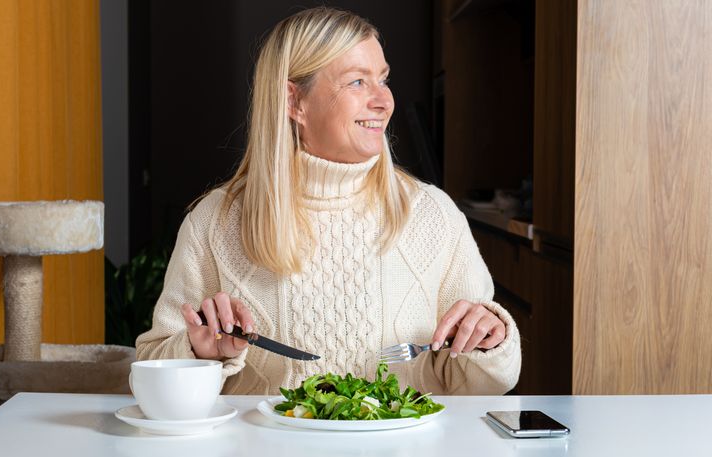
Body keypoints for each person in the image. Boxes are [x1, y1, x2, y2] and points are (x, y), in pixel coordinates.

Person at [136, 6, 521, 395]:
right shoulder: (215, 222)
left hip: (405, 455)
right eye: (357, 82)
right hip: (264, 453)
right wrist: (201, 354)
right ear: (294, 102)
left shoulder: (434, 215)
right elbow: (150, 367)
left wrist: (490, 339)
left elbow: (481, 384)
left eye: (383, 80)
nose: (383, 101)